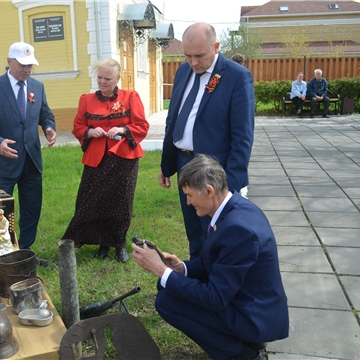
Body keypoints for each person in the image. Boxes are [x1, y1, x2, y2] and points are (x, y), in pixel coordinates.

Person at [132, 154, 289, 360]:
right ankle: (243, 344)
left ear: (209, 191)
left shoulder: (238, 230)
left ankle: (242, 355)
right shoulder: (235, 208)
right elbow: (220, 264)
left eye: (189, 195)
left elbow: (214, 298)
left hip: (254, 318)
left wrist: (161, 271)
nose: (187, 202)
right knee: (166, 287)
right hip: (249, 303)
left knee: (166, 301)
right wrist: (182, 268)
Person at [160, 22, 254, 260]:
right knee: (194, 230)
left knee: (218, 234)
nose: (193, 63)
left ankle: (217, 285)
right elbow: (174, 119)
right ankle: (197, 278)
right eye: (188, 56)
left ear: (216, 46)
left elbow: (242, 138)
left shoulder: (236, 77)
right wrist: (167, 164)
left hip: (215, 173)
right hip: (185, 164)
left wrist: (229, 186)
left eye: (199, 56)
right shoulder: (183, 71)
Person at [0, 42, 57, 266]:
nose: (27, 69)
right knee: (0, 210)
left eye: (30, 65)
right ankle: (2, 251)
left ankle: (25, 251)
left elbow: (45, 114)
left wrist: (49, 127)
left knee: (32, 208)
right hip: (6, 161)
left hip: (31, 160)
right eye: (22, 64)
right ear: (9, 61)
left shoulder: (37, 87)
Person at [62, 58, 149, 262]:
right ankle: (101, 243)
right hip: (97, 159)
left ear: (118, 78)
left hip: (124, 158)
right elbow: (78, 127)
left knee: (121, 203)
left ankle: (118, 243)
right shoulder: (86, 99)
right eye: (99, 77)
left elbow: (142, 126)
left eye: (107, 78)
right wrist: (91, 132)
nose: (102, 82)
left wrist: (123, 129)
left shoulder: (131, 97)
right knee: (92, 201)